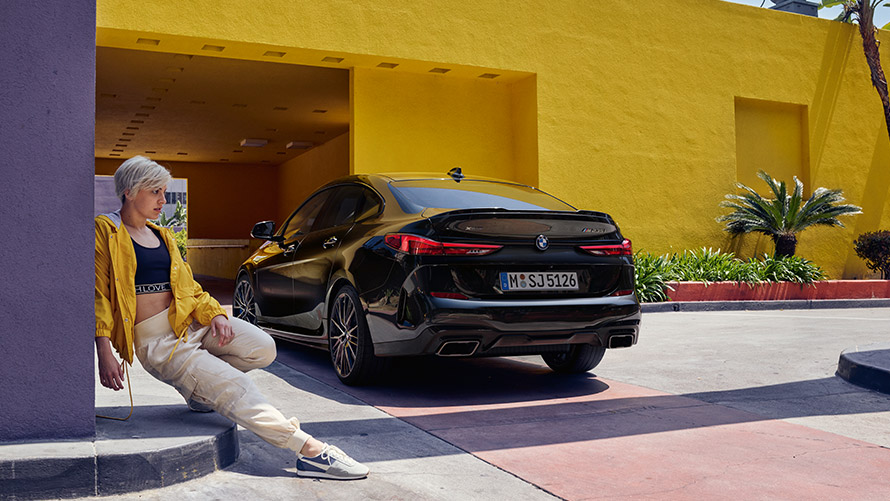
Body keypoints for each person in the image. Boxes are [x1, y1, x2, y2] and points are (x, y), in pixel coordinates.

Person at [95, 155, 369, 480]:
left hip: (190, 324)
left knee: (262, 346)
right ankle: (308, 450)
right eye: (155, 191)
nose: (163, 200)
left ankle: (199, 392)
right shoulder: (106, 230)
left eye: (164, 192)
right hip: (158, 341)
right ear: (129, 191)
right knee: (237, 387)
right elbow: (98, 294)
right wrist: (103, 352)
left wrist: (214, 315)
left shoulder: (163, 236)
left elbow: (189, 287)